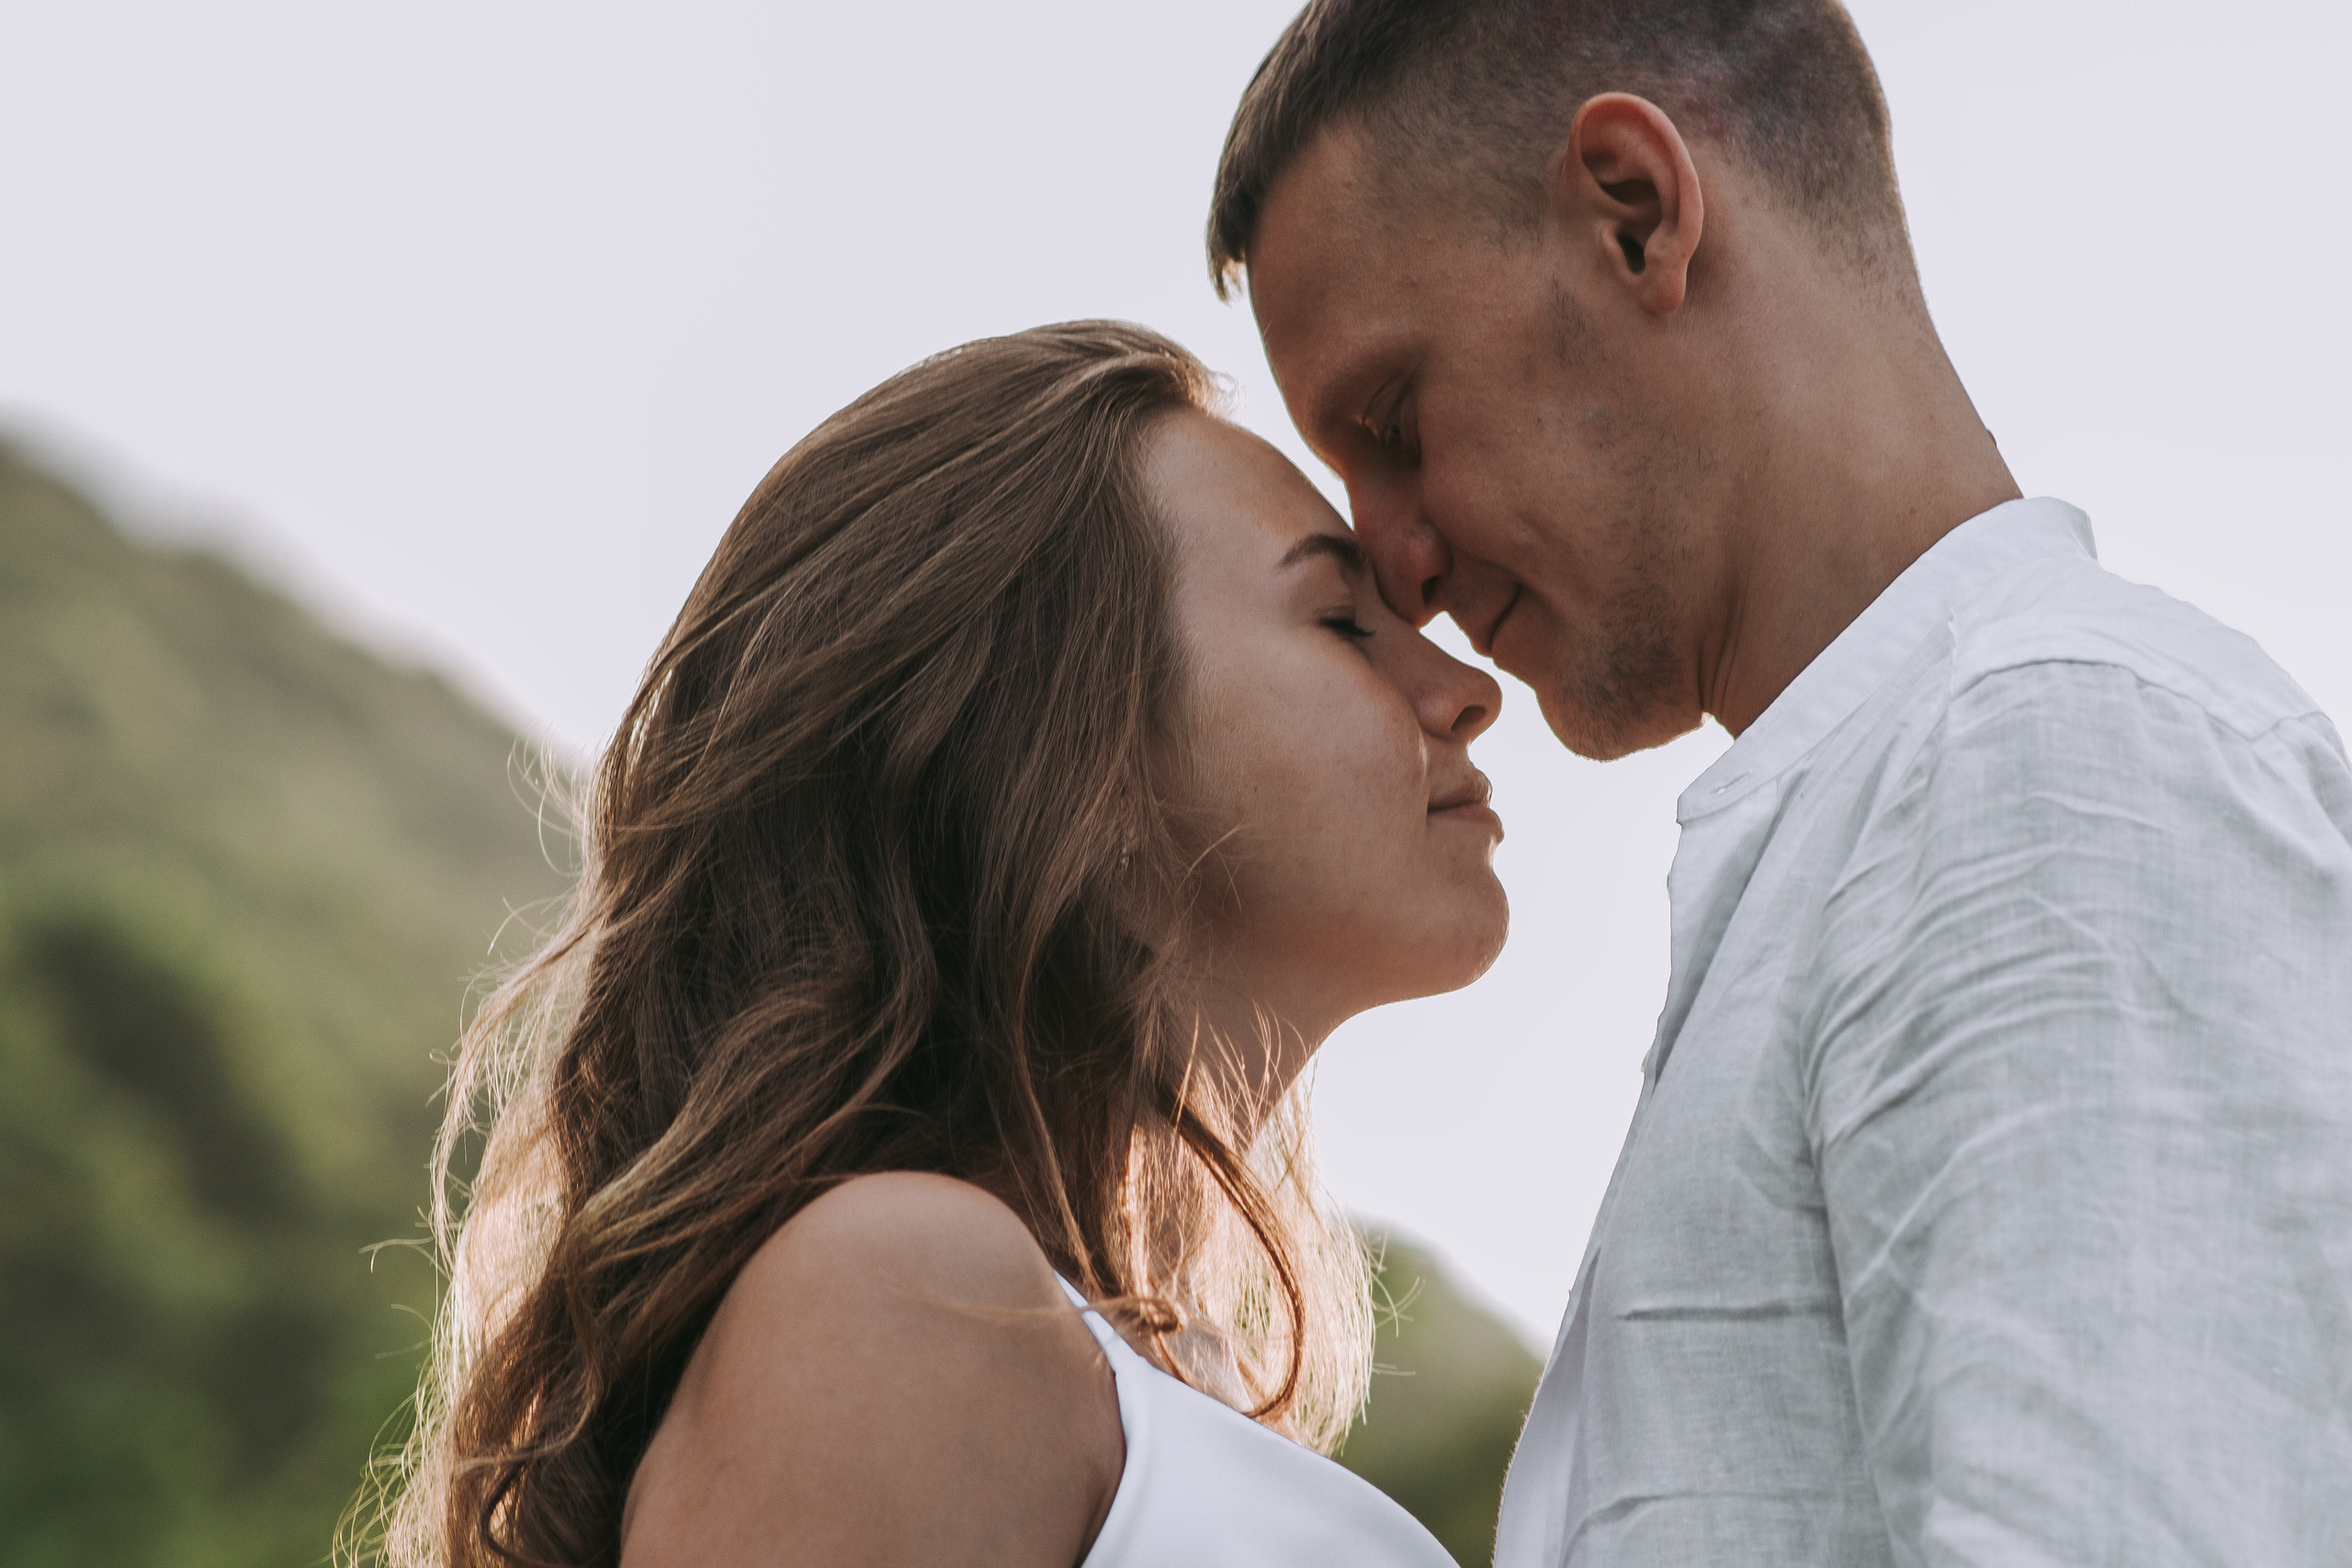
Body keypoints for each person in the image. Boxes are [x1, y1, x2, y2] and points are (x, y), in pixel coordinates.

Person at [1208, 2, 2352, 1564]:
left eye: (1397, 422)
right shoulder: (1911, 809)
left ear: (1635, 212)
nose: (1397, 561)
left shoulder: (2044, 762)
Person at [366, 321, 1503, 1568]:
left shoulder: (1145, 1375)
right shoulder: (901, 1299)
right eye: (1342, 621)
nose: (1463, 688)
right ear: (1078, 775)